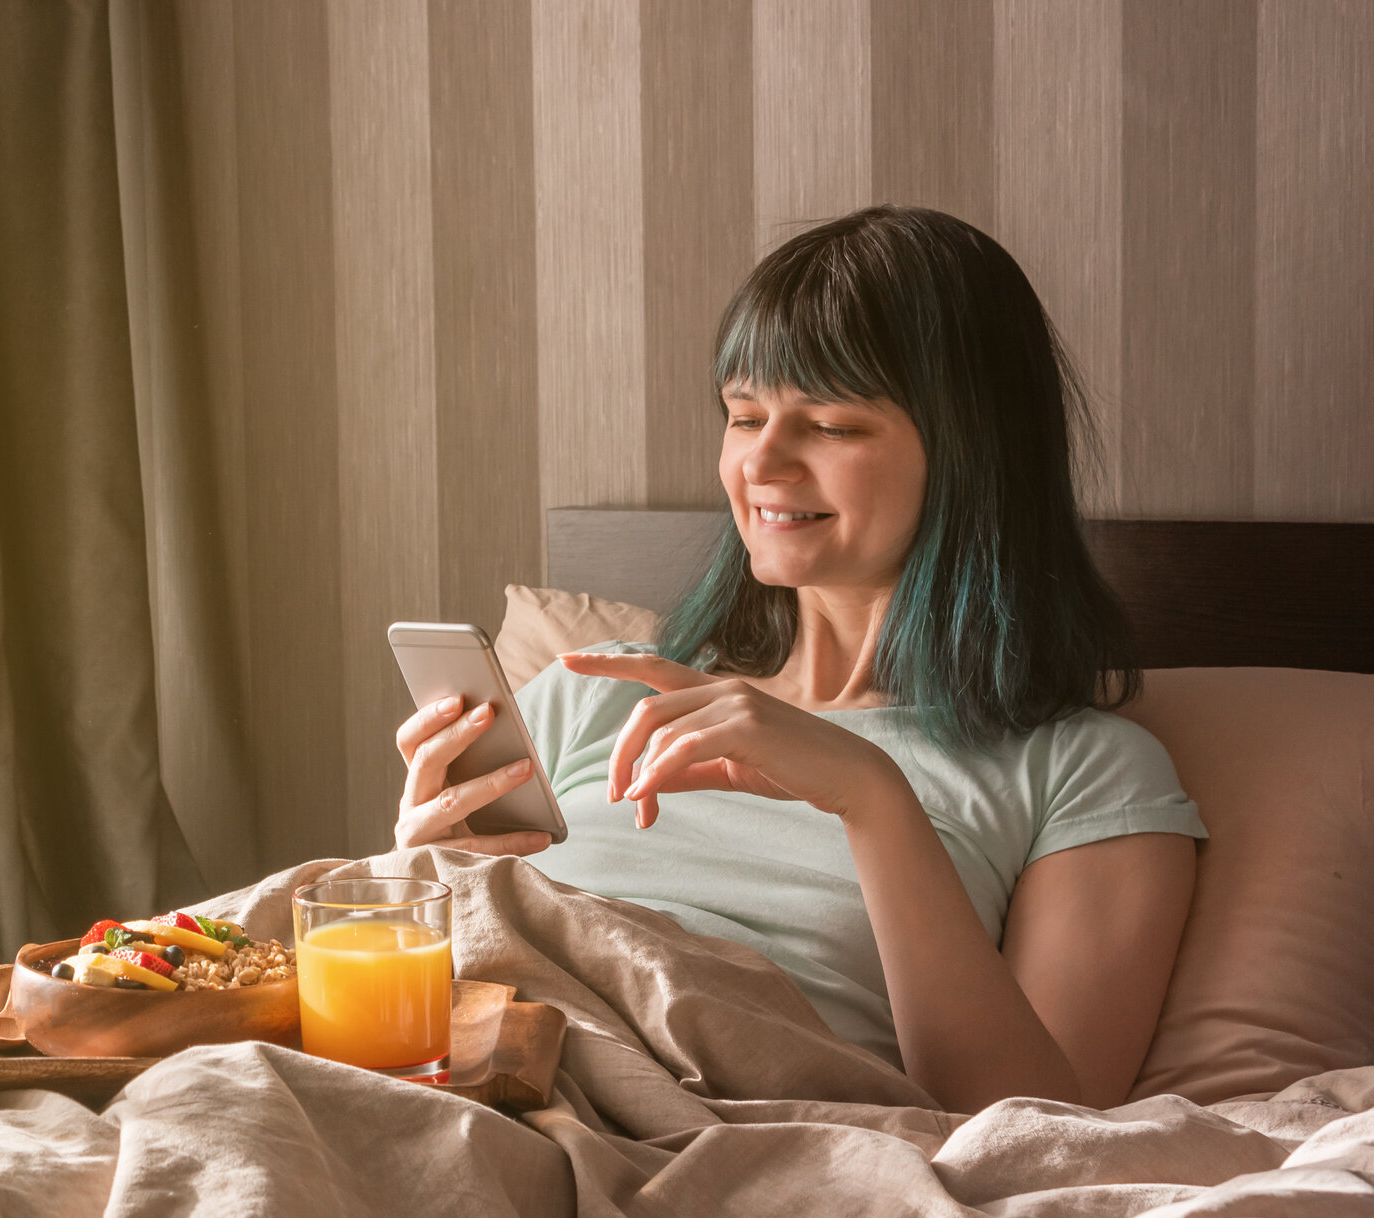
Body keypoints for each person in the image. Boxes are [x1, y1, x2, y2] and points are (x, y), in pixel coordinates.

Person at [391, 206, 1205, 1115]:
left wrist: (871, 795)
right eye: (744, 417)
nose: (762, 464)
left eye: (830, 425)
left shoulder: (1078, 772)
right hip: (461, 1078)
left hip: (697, 1134)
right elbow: (419, 989)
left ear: (972, 454)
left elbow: (1041, 1128)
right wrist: (417, 887)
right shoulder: (598, 688)